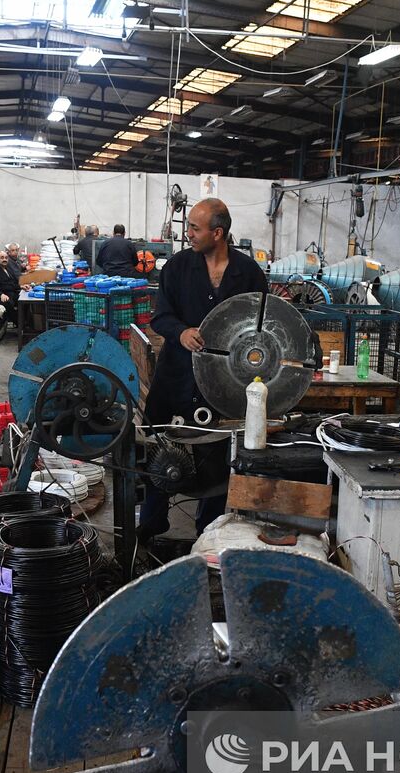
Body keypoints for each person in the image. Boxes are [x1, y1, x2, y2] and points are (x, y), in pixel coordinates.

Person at [141, 197, 267, 540]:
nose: (188, 234)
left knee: (215, 458)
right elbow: (160, 317)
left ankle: (207, 534)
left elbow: (261, 324)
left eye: (195, 228)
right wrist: (180, 332)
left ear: (218, 232)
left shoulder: (249, 273)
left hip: (223, 382)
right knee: (158, 449)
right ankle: (149, 527)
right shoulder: (177, 268)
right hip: (176, 377)